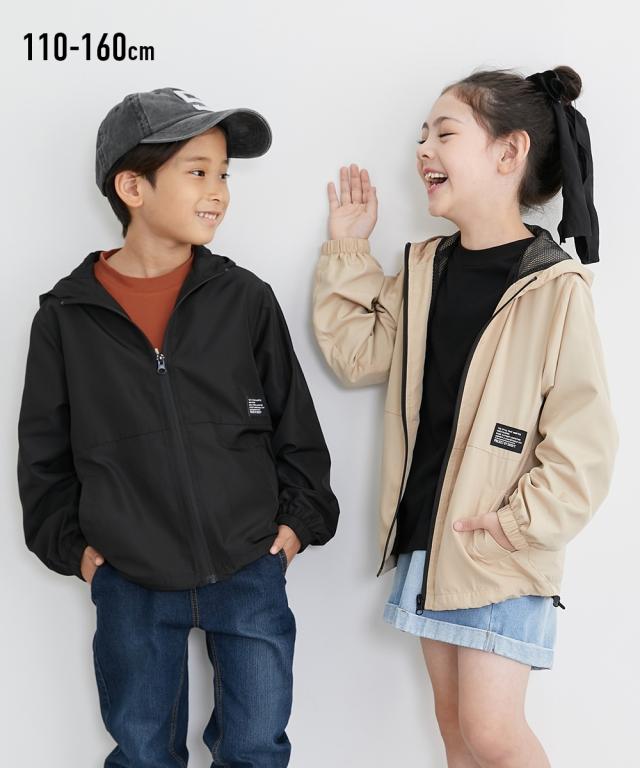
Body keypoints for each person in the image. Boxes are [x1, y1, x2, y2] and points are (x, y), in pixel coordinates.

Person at [17, 86, 340, 767]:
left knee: (255, 748)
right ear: (133, 187)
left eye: (224, 174)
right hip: (130, 580)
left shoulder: (244, 299)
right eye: (198, 172)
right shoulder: (66, 319)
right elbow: (42, 456)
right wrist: (79, 552)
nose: (218, 191)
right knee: (142, 754)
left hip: (248, 567)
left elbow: (297, 426)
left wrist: (295, 527)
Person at [312, 67, 617, 767]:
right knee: (456, 736)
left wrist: (517, 524)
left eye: (444, 133)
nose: (423, 148)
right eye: (422, 135)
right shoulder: (426, 269)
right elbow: (357, 355)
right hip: (431, 539)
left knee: (491, 733)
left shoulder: (554, 288)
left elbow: (585, 440)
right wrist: (348, 249)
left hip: (497, 545)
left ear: (509, 153)